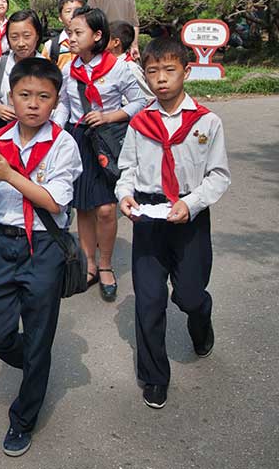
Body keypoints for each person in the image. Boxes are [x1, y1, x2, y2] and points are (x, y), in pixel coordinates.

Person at [0, 57, 82, 457]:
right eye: (24, 95)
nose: (33, 104)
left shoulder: (63, 143)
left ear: (55, 102)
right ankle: (33, 363)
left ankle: (23, 418)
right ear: (11, 98)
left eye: (43, 97)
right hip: (1, 242)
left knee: (38, 335)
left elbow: (54, 202)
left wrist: (11, 175)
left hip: (43, 246)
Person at [117, 37, 230, 409]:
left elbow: (218, 175)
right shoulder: (139, 122)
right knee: (149, 302)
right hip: (148, 217)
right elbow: (127, 169)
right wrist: (125, 195)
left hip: (189, 214)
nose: (161, 79)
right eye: (152, 71)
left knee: (189, 296)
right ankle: (154, 377)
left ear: (187, 70)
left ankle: (202, 318)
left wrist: (191, 203)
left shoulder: (206, 122)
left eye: (169, 70)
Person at [53, 6, 146, 301]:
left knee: (106, 208)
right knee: (84, 207)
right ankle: (88, 264)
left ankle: (105, 264)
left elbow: (140, 102)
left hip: (107, 141)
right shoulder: (69, 69)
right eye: (70, 32)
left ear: (97, 35)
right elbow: (65, 105)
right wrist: (54, 134)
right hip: (79, 139)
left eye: (78, 33)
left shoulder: (121, 67)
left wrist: (110, 116)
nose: (71, 38)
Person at [0, 10, 44, 132]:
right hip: (4, 132)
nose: (21, 43)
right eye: (14, 37)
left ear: (37, 35)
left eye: (27, 36)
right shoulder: (1, 65)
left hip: (38, 133)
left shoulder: (46, 67)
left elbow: (57, 106)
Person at [108, 20, 154, 101]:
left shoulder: (131, 68)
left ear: (116, 42)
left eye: (106, 38)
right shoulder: (103, 64)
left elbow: (148, 98)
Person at [43, 0, 85, 69]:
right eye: (68, 11)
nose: (73, 15)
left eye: (77, 10)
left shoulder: (91, 41)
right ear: (60, 18)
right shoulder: (51, 46)